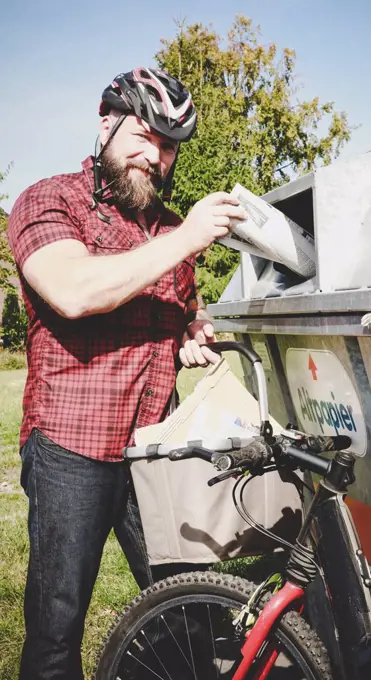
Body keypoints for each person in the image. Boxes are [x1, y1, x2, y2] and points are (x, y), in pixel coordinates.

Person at [7, 66, 246, 680]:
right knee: (57, 631)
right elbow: (74, 289)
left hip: (153, 453)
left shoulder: (167, 230)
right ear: (106, 122)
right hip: (70, 451)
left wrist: (191, 329)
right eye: (145, 135)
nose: (156, 155)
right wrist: (189, 236)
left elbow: (183, 309)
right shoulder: (48, 199)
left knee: (186, 615)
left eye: (168, 146)